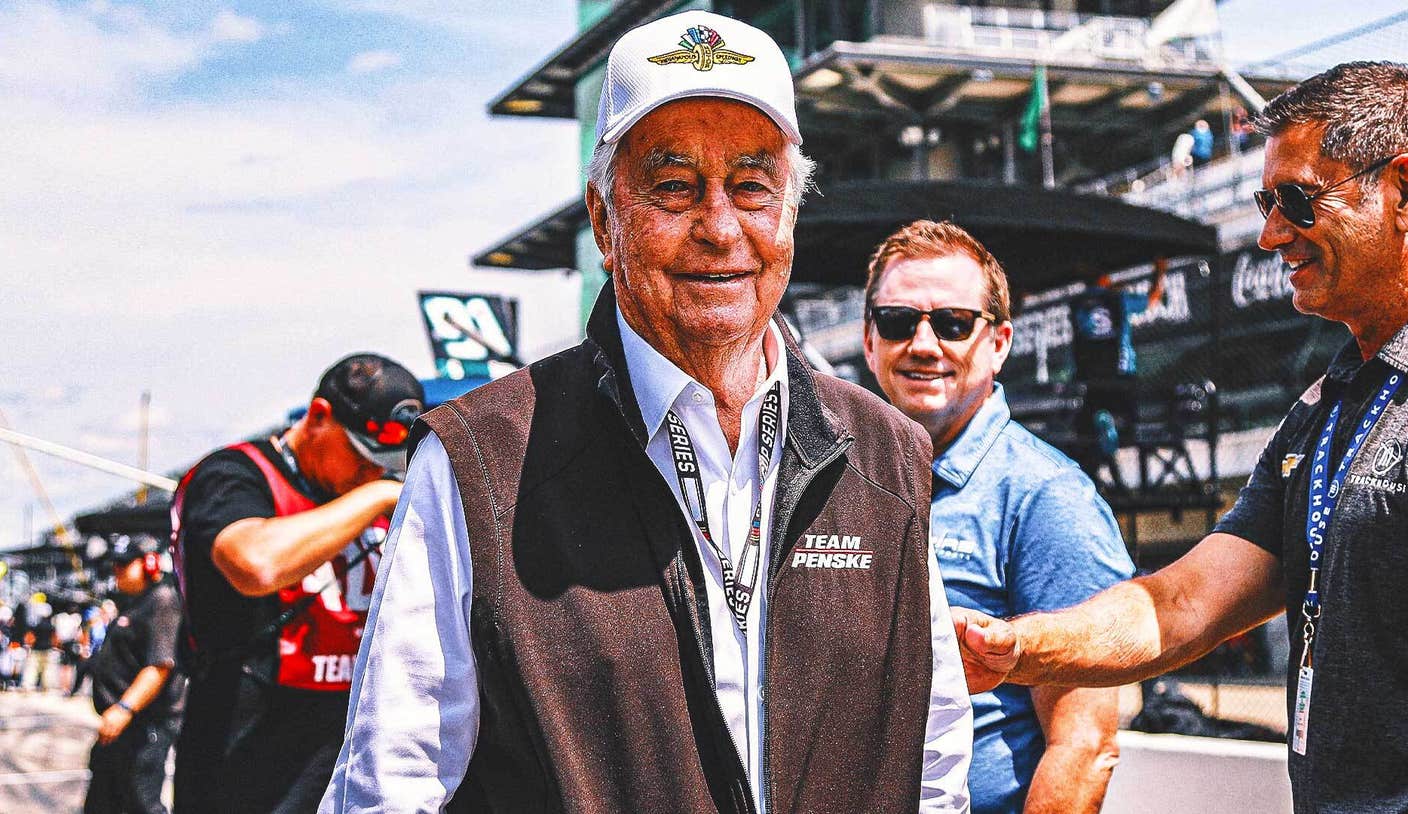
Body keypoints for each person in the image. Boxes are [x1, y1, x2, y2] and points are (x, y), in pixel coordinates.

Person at [321, 10, 972, 813]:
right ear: (605, 219)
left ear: (791, 216)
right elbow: (391, 785)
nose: (721, 228)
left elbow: (934, 761)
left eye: (752, 187)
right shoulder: (480, 460)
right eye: (673, 187)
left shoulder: (886, 455)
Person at [955, 61, 1408, 814]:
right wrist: (1015, 648)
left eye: (1297, 200)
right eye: (1265, 203)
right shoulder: (1324, 410)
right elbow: (1178, 607)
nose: (1270, 234)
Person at [861, 220, 1132, 814]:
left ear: (1001, 343)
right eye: (898, 321)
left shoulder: (1047, 496)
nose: (924, 344)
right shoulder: (837, 480)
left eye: (954, 323)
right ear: (869, 339)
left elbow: (1083, 745)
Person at [170, 353, 423, 813]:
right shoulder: (235, 474)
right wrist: (377, 496)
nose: (373, 472)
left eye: (385, 464)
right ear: (319, 416)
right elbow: (255, 564)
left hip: (346, 742)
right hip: (244, 749)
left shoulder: (368, 488)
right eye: (362, 457)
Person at [83, 535, 184, 814]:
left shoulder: (162, 600)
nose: (116, 569)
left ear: (150, 563)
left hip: (143, 725)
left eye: (124, 564)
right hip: (121, 727)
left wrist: (124, 708)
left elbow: (160, 666)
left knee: (141, 803)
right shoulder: (135, 602)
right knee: (102, 803)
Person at [1067, 258, 1167, 480]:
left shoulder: (1077, 304)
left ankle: (1102, 452)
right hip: (1121, 375)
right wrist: (1160, 271)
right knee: (1129, 425)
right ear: (1104, 278)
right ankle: (1114, 436)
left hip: (1090, 379)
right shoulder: (1118, 299)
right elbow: (1152, 298)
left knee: (1088, 430)